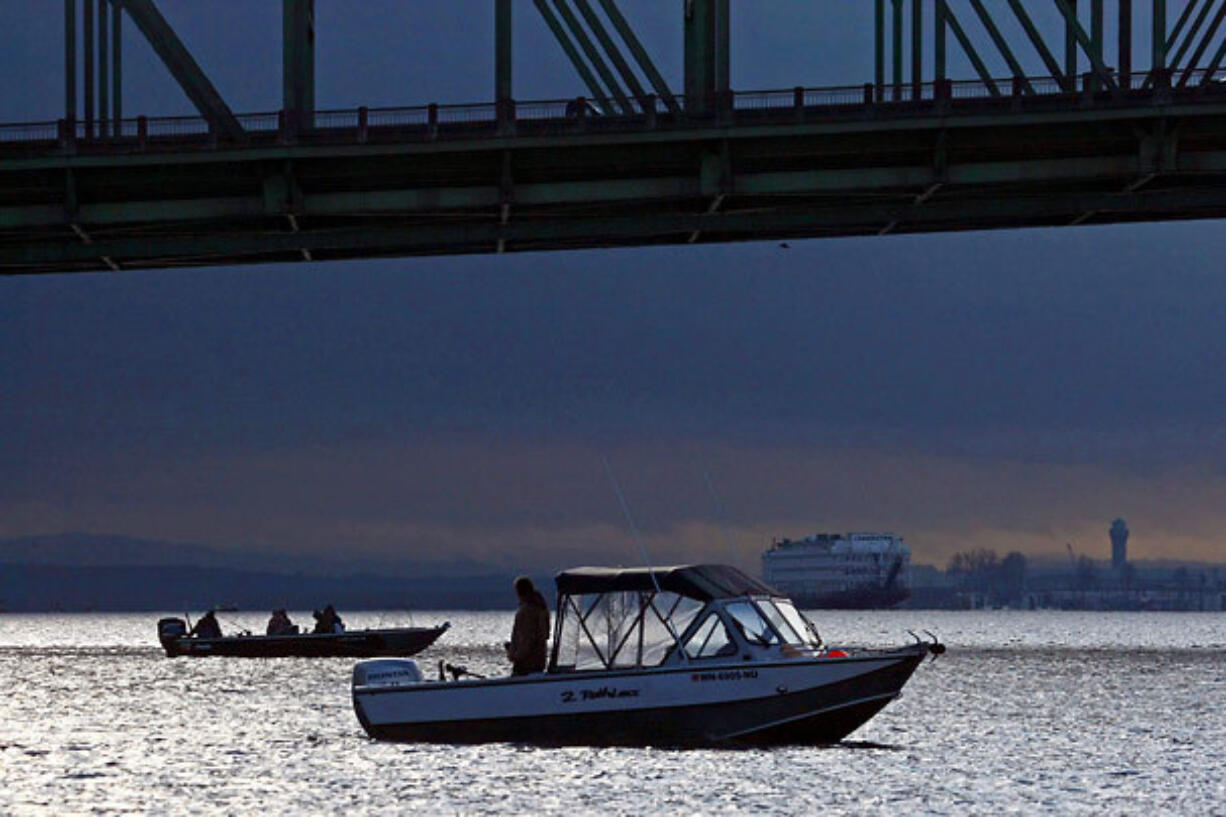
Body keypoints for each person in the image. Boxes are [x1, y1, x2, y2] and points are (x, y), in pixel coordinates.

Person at [505, 576, 549, 675]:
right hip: (539, 662)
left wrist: (514, 656)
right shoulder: (541, 608)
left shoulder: (526, 611)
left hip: (525, 665)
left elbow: (527, 639)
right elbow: (545, 635)